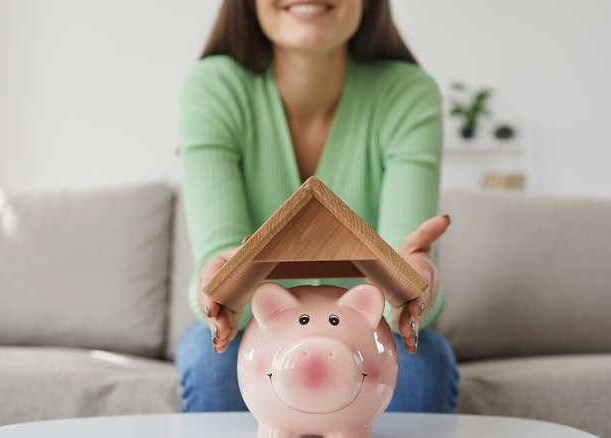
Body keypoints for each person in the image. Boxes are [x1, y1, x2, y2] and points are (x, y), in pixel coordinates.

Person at [176, 0, 458, 413]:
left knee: (423, 367)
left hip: (366, 326)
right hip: (258, 325)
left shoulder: (408, 93)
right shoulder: (213, 87)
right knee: (210, 364)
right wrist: (218, 289)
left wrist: (414, 287)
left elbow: (405, 274)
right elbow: (215, 259)